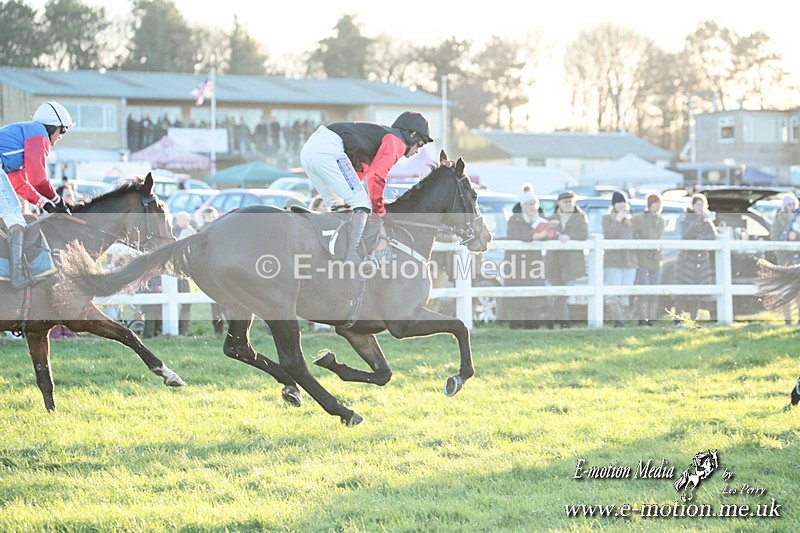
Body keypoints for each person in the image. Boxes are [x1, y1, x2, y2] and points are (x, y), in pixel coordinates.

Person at [299, 111, 433, 262]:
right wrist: (379, 210)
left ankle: (332, 255)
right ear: (412, 135)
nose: (418, 150)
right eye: (420, 144)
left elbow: (357, 177)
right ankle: (352, 255)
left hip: (308, 151)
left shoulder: (374, 140)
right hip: (327, 149)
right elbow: (376, 176)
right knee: (362, 204)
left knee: (341, 207)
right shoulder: (397, 142)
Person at [0, 101, 73, 288]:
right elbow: (38, 179)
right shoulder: (39, 135)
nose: (60, 137)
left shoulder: (22, 139)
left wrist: (44, 204)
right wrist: (58, 201)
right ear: (52, 128)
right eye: (62, 131)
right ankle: (17, 277)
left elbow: (19, 183)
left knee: (11, 212)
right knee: (15, 217)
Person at [504, 191, 553, 329]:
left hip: (535, 264)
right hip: (516, 264)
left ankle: (533, 328)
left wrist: (545, 235)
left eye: (534, 204)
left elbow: (549, 235)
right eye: (529, 204)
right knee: (517, 297)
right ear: (523, 206)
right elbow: (513, 235)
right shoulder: (514, 220)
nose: (532, 207)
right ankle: (516, 328)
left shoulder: (542, 219)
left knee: (535, 297)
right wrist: (532, 236)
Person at [545, 190, 588, 328]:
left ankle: (552, 319)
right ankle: (563, 323)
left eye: (571, 201)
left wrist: (569, 236)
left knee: (565, 292)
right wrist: (557, 236)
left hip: (571, 262)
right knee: (557, 291)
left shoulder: (580, 217)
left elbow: (583, 234)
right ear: (559, 203)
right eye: (565, 202)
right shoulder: (552, 218)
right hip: (555, 261)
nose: (569, 204)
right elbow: (546, 233)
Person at [674, 193, 718, 326]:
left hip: (701, 260)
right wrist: (696, 222)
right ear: (692, 206)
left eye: (702, 205)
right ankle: (678, 319)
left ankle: (693, 319)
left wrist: (702, 235)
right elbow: (685, 234)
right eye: (698, 204)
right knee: (681, 291)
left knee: (697, 291)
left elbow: (713, 236)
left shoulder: (707, 221)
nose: (700, 207)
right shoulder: (686, 218)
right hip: (686, 259)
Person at [602, 190, 637, 327]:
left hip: (629, 261)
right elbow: (609, 235)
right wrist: (617, 220)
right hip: (614, 261)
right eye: (618, 202)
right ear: (614, 205)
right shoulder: (606, 219)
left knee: (625, 293)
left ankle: (623, 320)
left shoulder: (632, 221)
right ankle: (618, 321)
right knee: (613, 293)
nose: (621, 205)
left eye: (623, 202)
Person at [632, 193, 665, 326]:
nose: (657, 206)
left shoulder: (661, 220)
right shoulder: (639, 219)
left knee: (655, 289)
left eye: (659, 203)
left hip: (656, 260)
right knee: (644, 290)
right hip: (642, 259)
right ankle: (642, 318)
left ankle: (652, 319)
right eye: (654, 203)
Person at [769, 192, 800, 325]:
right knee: (786, 291)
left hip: (797, 260)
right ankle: (787, 319)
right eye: (789, 204)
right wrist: (787, 236)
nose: (791, 207)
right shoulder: (779, 219)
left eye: (793, 204)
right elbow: (774, 237)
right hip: (784, 260)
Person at [198, 206, 228, 335]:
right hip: (209, 271)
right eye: (209, 217)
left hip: (221, 271)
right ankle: (218, 330)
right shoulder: (201, 231)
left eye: (214, 216)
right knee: (215, 305)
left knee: (226, 303)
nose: (212, 219)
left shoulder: (222, 230)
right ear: (204, 218)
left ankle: (231, 329)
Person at [173, 211, 196, 336]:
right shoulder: (171, 233)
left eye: (187, 220)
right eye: (183, 220)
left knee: (186, 302)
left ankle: (184, 329)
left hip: (185, 273)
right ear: (177, 220)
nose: (186, 223)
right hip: (173, 273)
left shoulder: (191, 231)